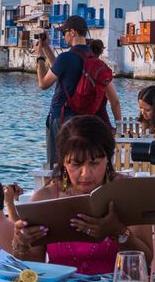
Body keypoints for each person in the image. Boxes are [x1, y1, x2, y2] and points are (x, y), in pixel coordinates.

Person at [11, 115, 154, 273]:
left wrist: (117, 232)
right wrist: (22, 244)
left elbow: (146, 261)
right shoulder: (44, 199)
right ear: (64, 162)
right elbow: (34, 270)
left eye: (94, 163)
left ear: (108, 159)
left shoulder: (129, 192)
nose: (86, 174)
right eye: (76, 164)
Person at [35, 15, 106, 168]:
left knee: (58, 165)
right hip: (83, 119)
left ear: (72, 32)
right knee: (76, 162)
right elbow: (59, 69)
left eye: (64, 32)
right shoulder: (91, 56)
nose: (63, 36)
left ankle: (60, 191)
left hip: (61, 117)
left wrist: (39, 57)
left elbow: (43, 83)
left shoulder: (66, 57)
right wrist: (47, 48)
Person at [87, 39, 122, 128]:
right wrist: (119, 128)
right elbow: (115, 102)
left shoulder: (79, 67)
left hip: (79, 123)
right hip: (101, 122)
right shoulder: (101, 70)